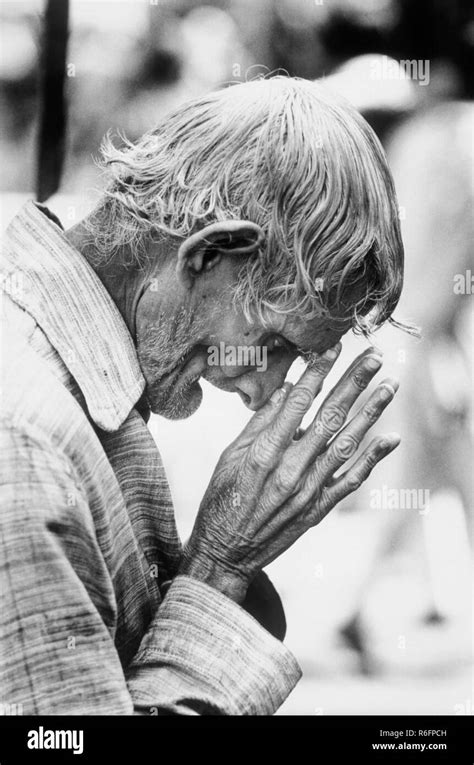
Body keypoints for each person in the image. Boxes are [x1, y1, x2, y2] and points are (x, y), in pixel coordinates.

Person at [0, 77, 404, 715]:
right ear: (210, 254)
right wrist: (217, 570)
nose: (264, 391)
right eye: (273, 342)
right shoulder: (23, 446)